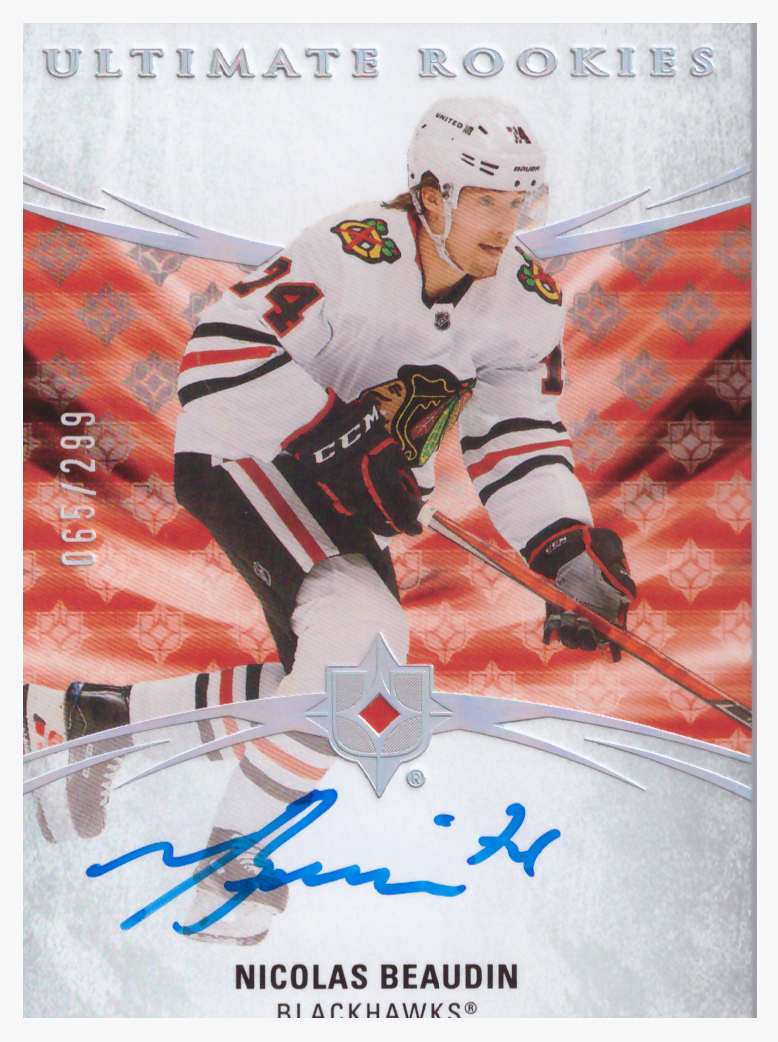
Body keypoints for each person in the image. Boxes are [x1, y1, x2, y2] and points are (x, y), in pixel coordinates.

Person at [24, 96, 636, 943]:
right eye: (487, 201)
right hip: (248, 453)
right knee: (364, 656)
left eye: (520, 201)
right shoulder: (351, 250)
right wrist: (335, 440)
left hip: (341, 498)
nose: (508, 223)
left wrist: (563, 545)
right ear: (431, 196)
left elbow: (518, 432)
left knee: (349, 687)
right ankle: (229, 874)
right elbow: (219, 353)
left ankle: (91, 719)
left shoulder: (527, 300)